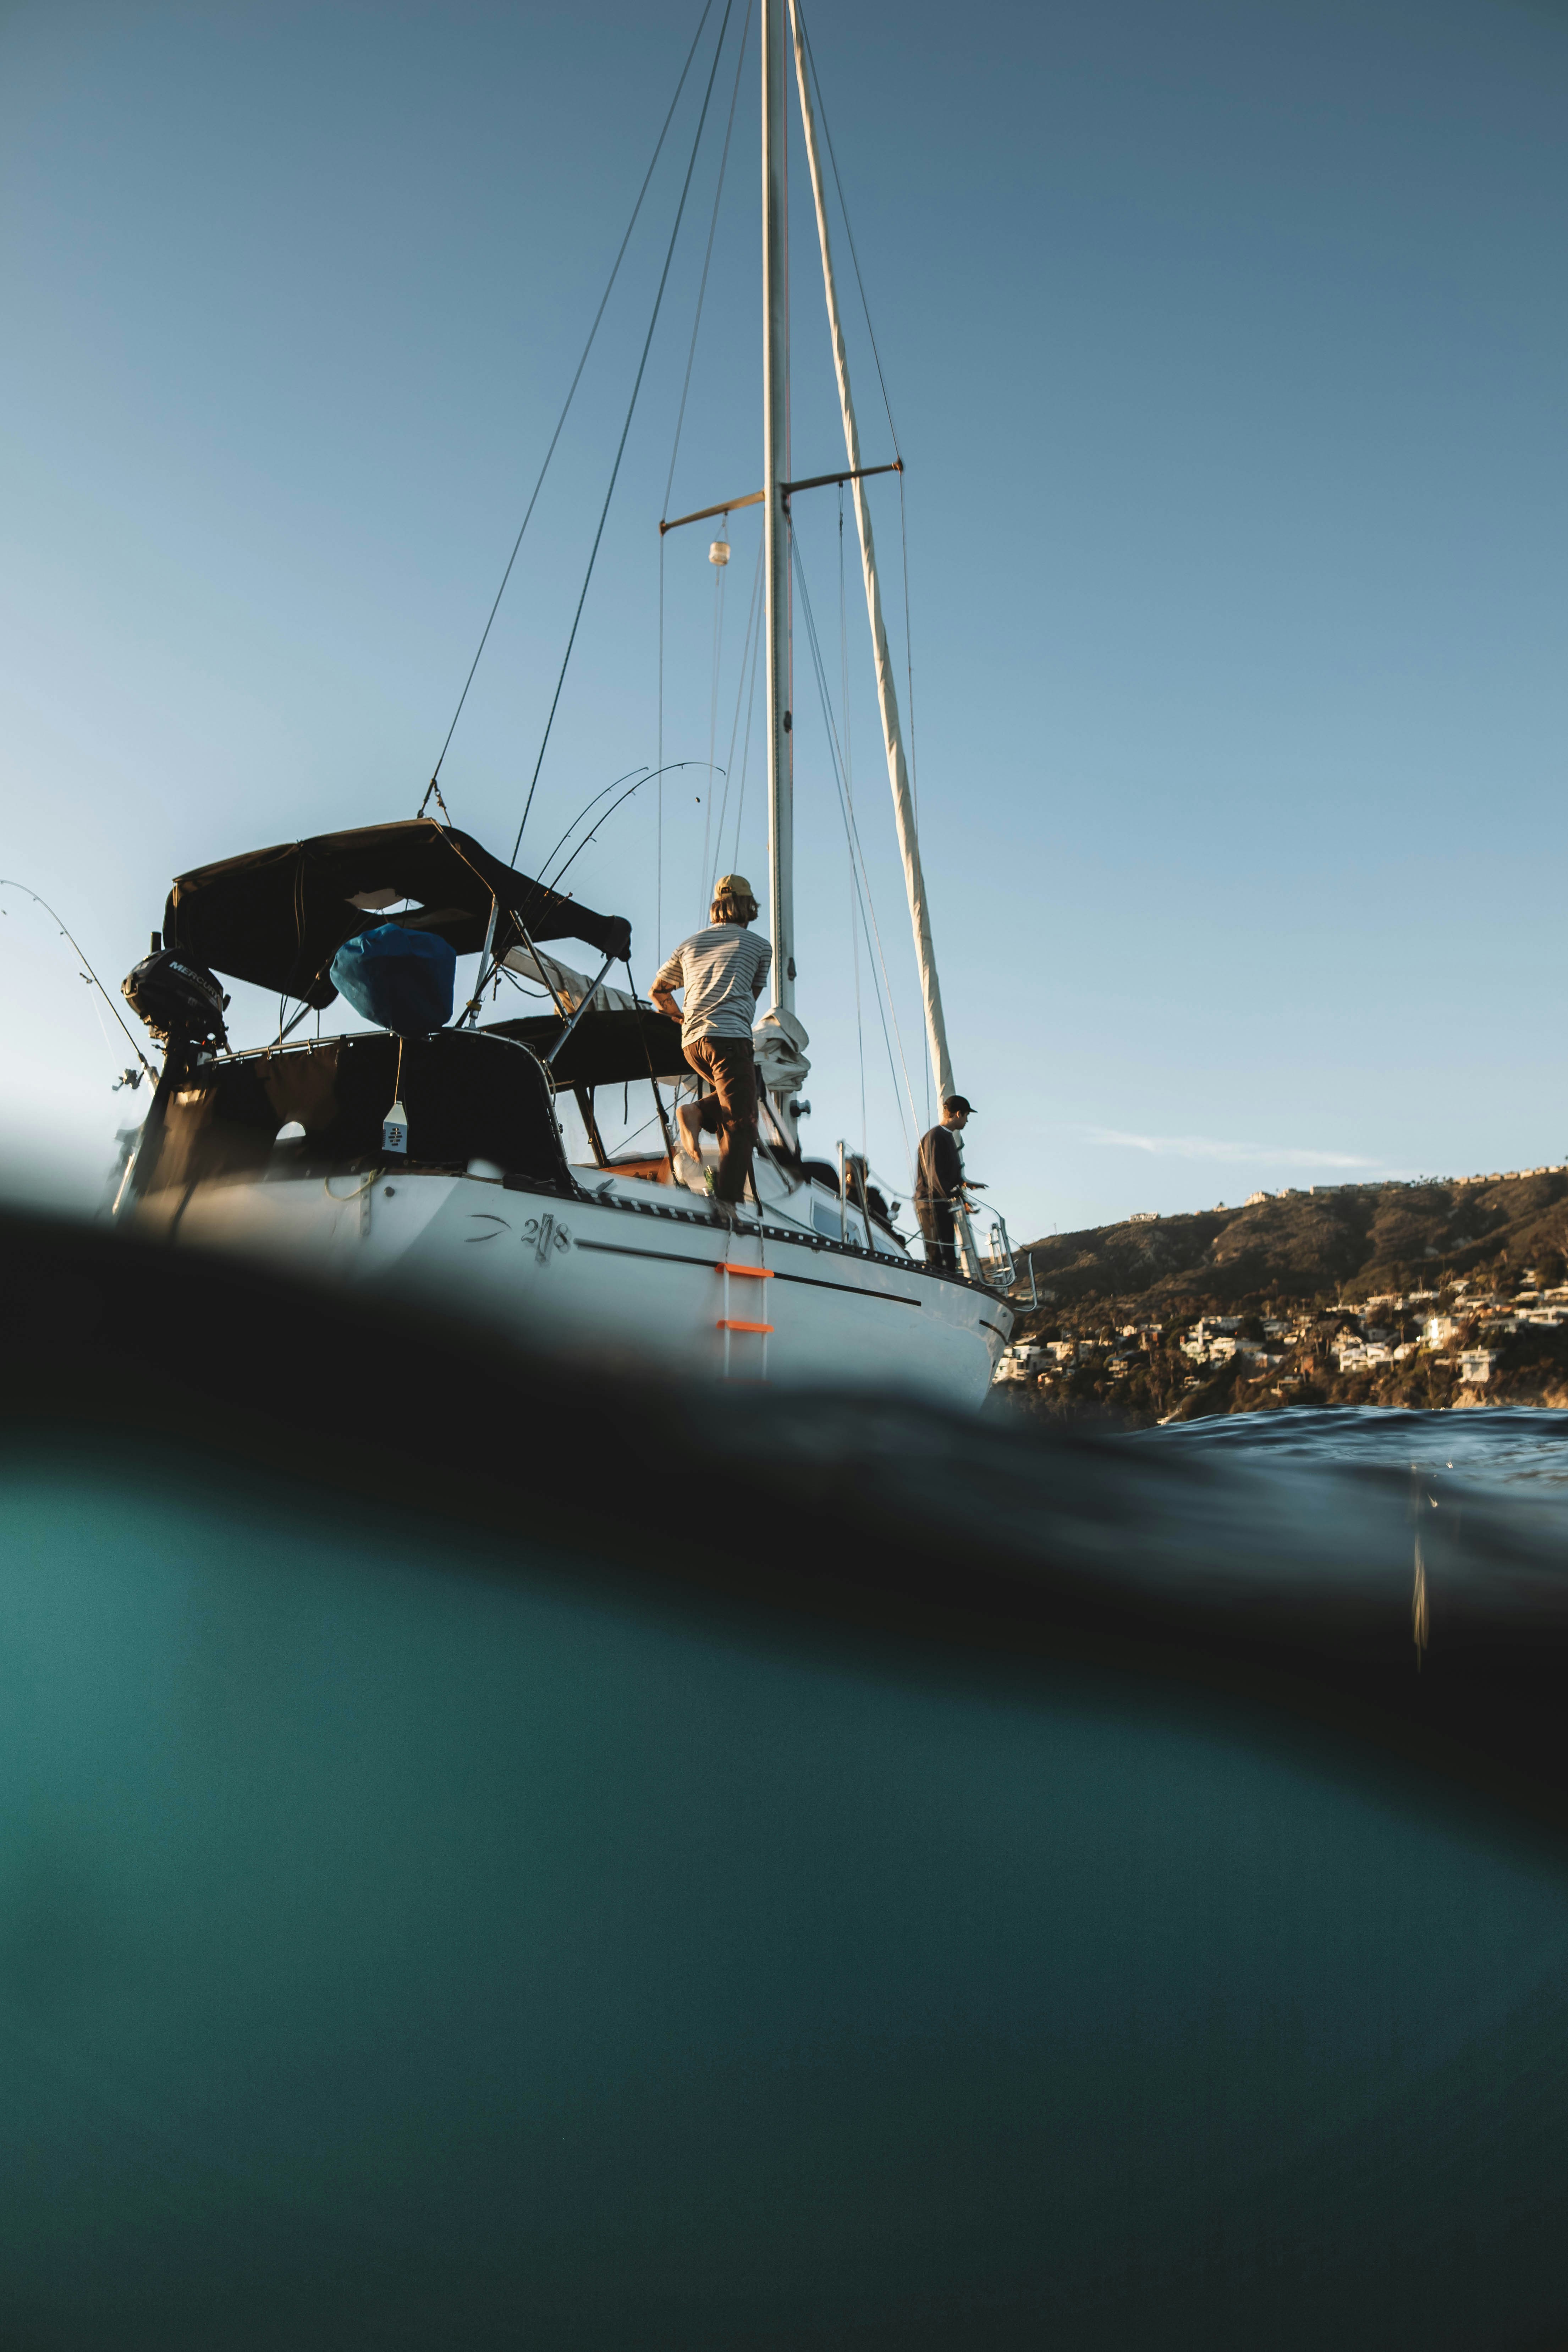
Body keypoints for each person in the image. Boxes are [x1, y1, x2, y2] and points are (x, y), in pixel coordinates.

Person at [651, 877, 772, 1219]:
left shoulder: (690, 945)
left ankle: (699, 1112)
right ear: (749, 908)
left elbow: (658, 991)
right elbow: (749, 1000)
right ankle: (727, 1204)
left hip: (692, 1043)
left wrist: (680, 1018)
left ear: (716, 907)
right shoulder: (760, 947)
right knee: (743, 1122)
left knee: (740, 1099)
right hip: (729, 1040)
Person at [915, 1096, 981, 1271]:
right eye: (967, 1116)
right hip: (932, 1205)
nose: (967, 1121)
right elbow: (935, 1176)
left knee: (948, 1260)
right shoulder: (937, 1137)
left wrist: (964, 1184)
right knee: (942, 1262)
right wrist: (959, 1200)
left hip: (940, 1204)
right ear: (959, 1114)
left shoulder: (945, 1137)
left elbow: (942, 1172)